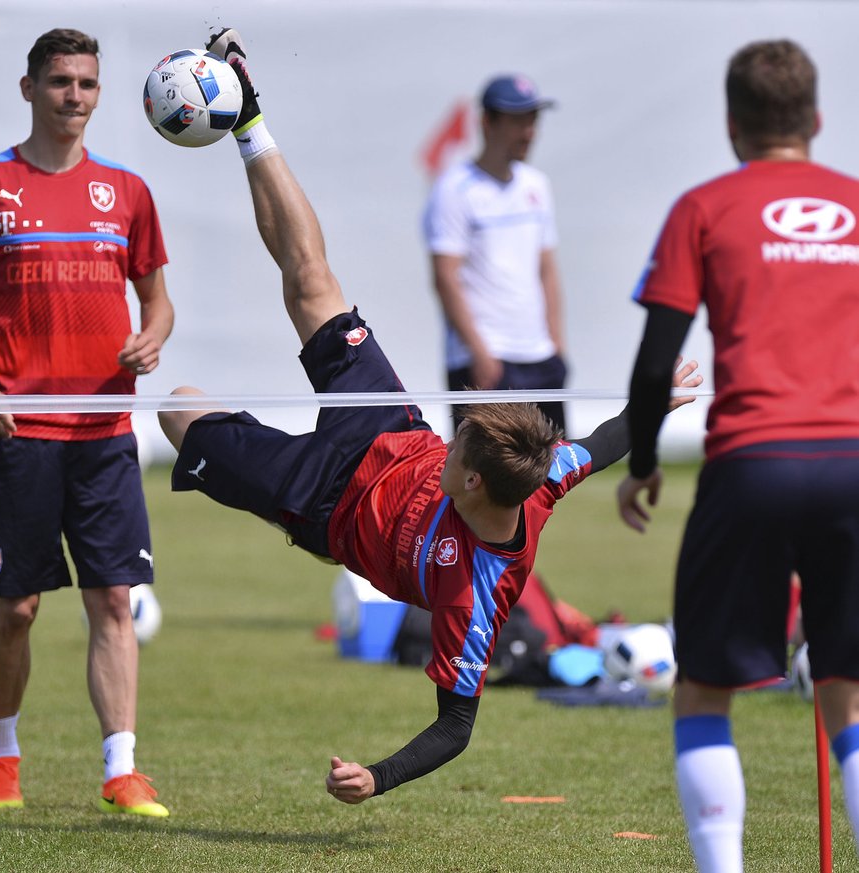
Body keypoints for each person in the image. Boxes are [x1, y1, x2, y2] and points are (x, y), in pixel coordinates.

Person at [161, 28, 699, 805]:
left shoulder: (474, 594)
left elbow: (456, 726)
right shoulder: (538, 477)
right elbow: (605, 442)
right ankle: (249, 121)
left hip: (324, 503)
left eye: (460, 450)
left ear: (472, 481)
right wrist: (656, 401)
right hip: (384, 429)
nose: (453, 446)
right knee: (312, 281)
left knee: (178, 409)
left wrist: (376, 777)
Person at [615, 39, 859, 872]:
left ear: (731, 125)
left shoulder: (704, 207)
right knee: (847, 689)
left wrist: (642, 459)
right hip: (854, 464)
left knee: (704, 689)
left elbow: (656, 363)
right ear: (817, 119)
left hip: (751, 464)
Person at [0, 28, 174, 818]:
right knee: (20, 604)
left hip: (103, 435)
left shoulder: (127, 193)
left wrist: (153, 336)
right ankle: (3, 756)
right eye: (61, 81)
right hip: (19, 434)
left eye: (88, 83)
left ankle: (122, 769)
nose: (76, 96)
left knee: (113, 600)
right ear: (29, 88)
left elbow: (158, 299)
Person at [422, 72, 567, 432]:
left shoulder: (536, 185)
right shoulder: (455, 189)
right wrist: (479, 353)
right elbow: (445, 277)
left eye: (533, 119)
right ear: (487, 123)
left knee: (553, 476)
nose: (529, 131)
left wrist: (556, 344)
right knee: (481, 483)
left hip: (539, 356)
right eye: (519, 120)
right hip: (485, 362)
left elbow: (546, 269)